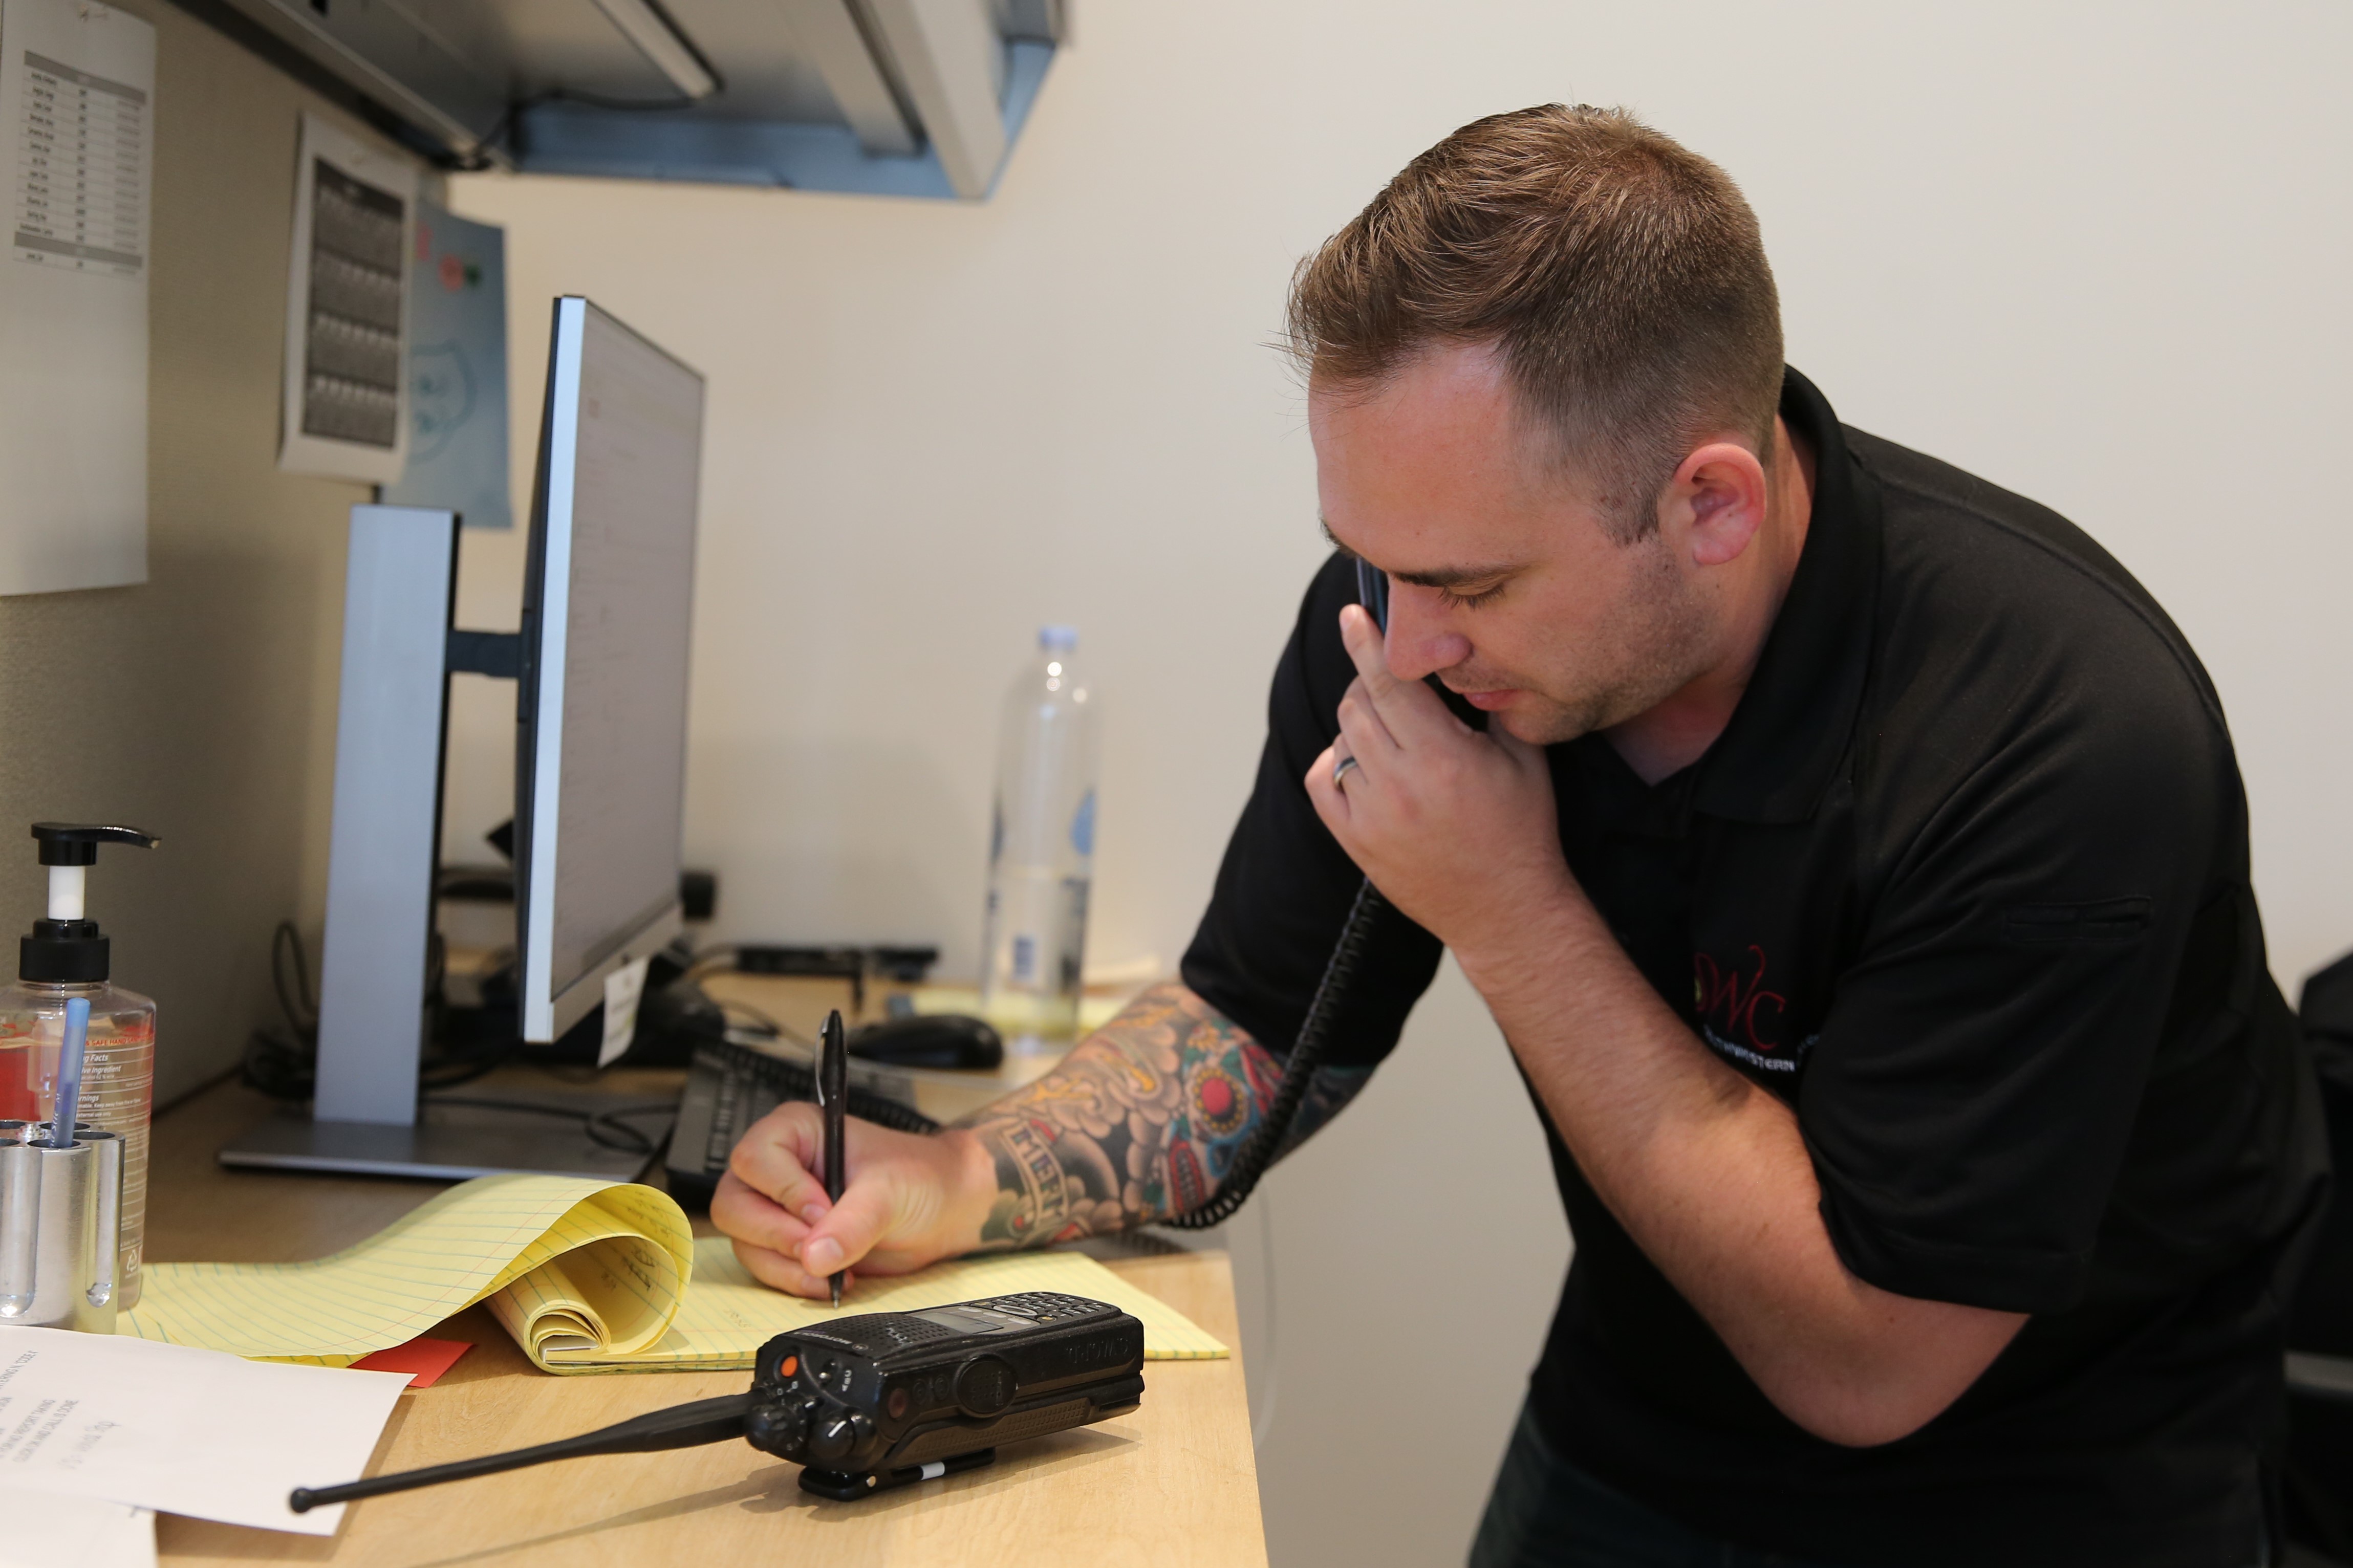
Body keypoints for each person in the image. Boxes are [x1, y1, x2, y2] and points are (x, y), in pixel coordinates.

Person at [713, 105, 2328, 1567]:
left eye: (1472, 586)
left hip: (2048, 1494)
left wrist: (1508, 907)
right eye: (1367, 559)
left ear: (1713, 509)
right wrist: (957, 1178)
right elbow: (1259, 1023)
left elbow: (1867, 1362)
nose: (1402, 645)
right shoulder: (1410, 611)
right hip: (1639, 1421)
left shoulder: (2052, 743)